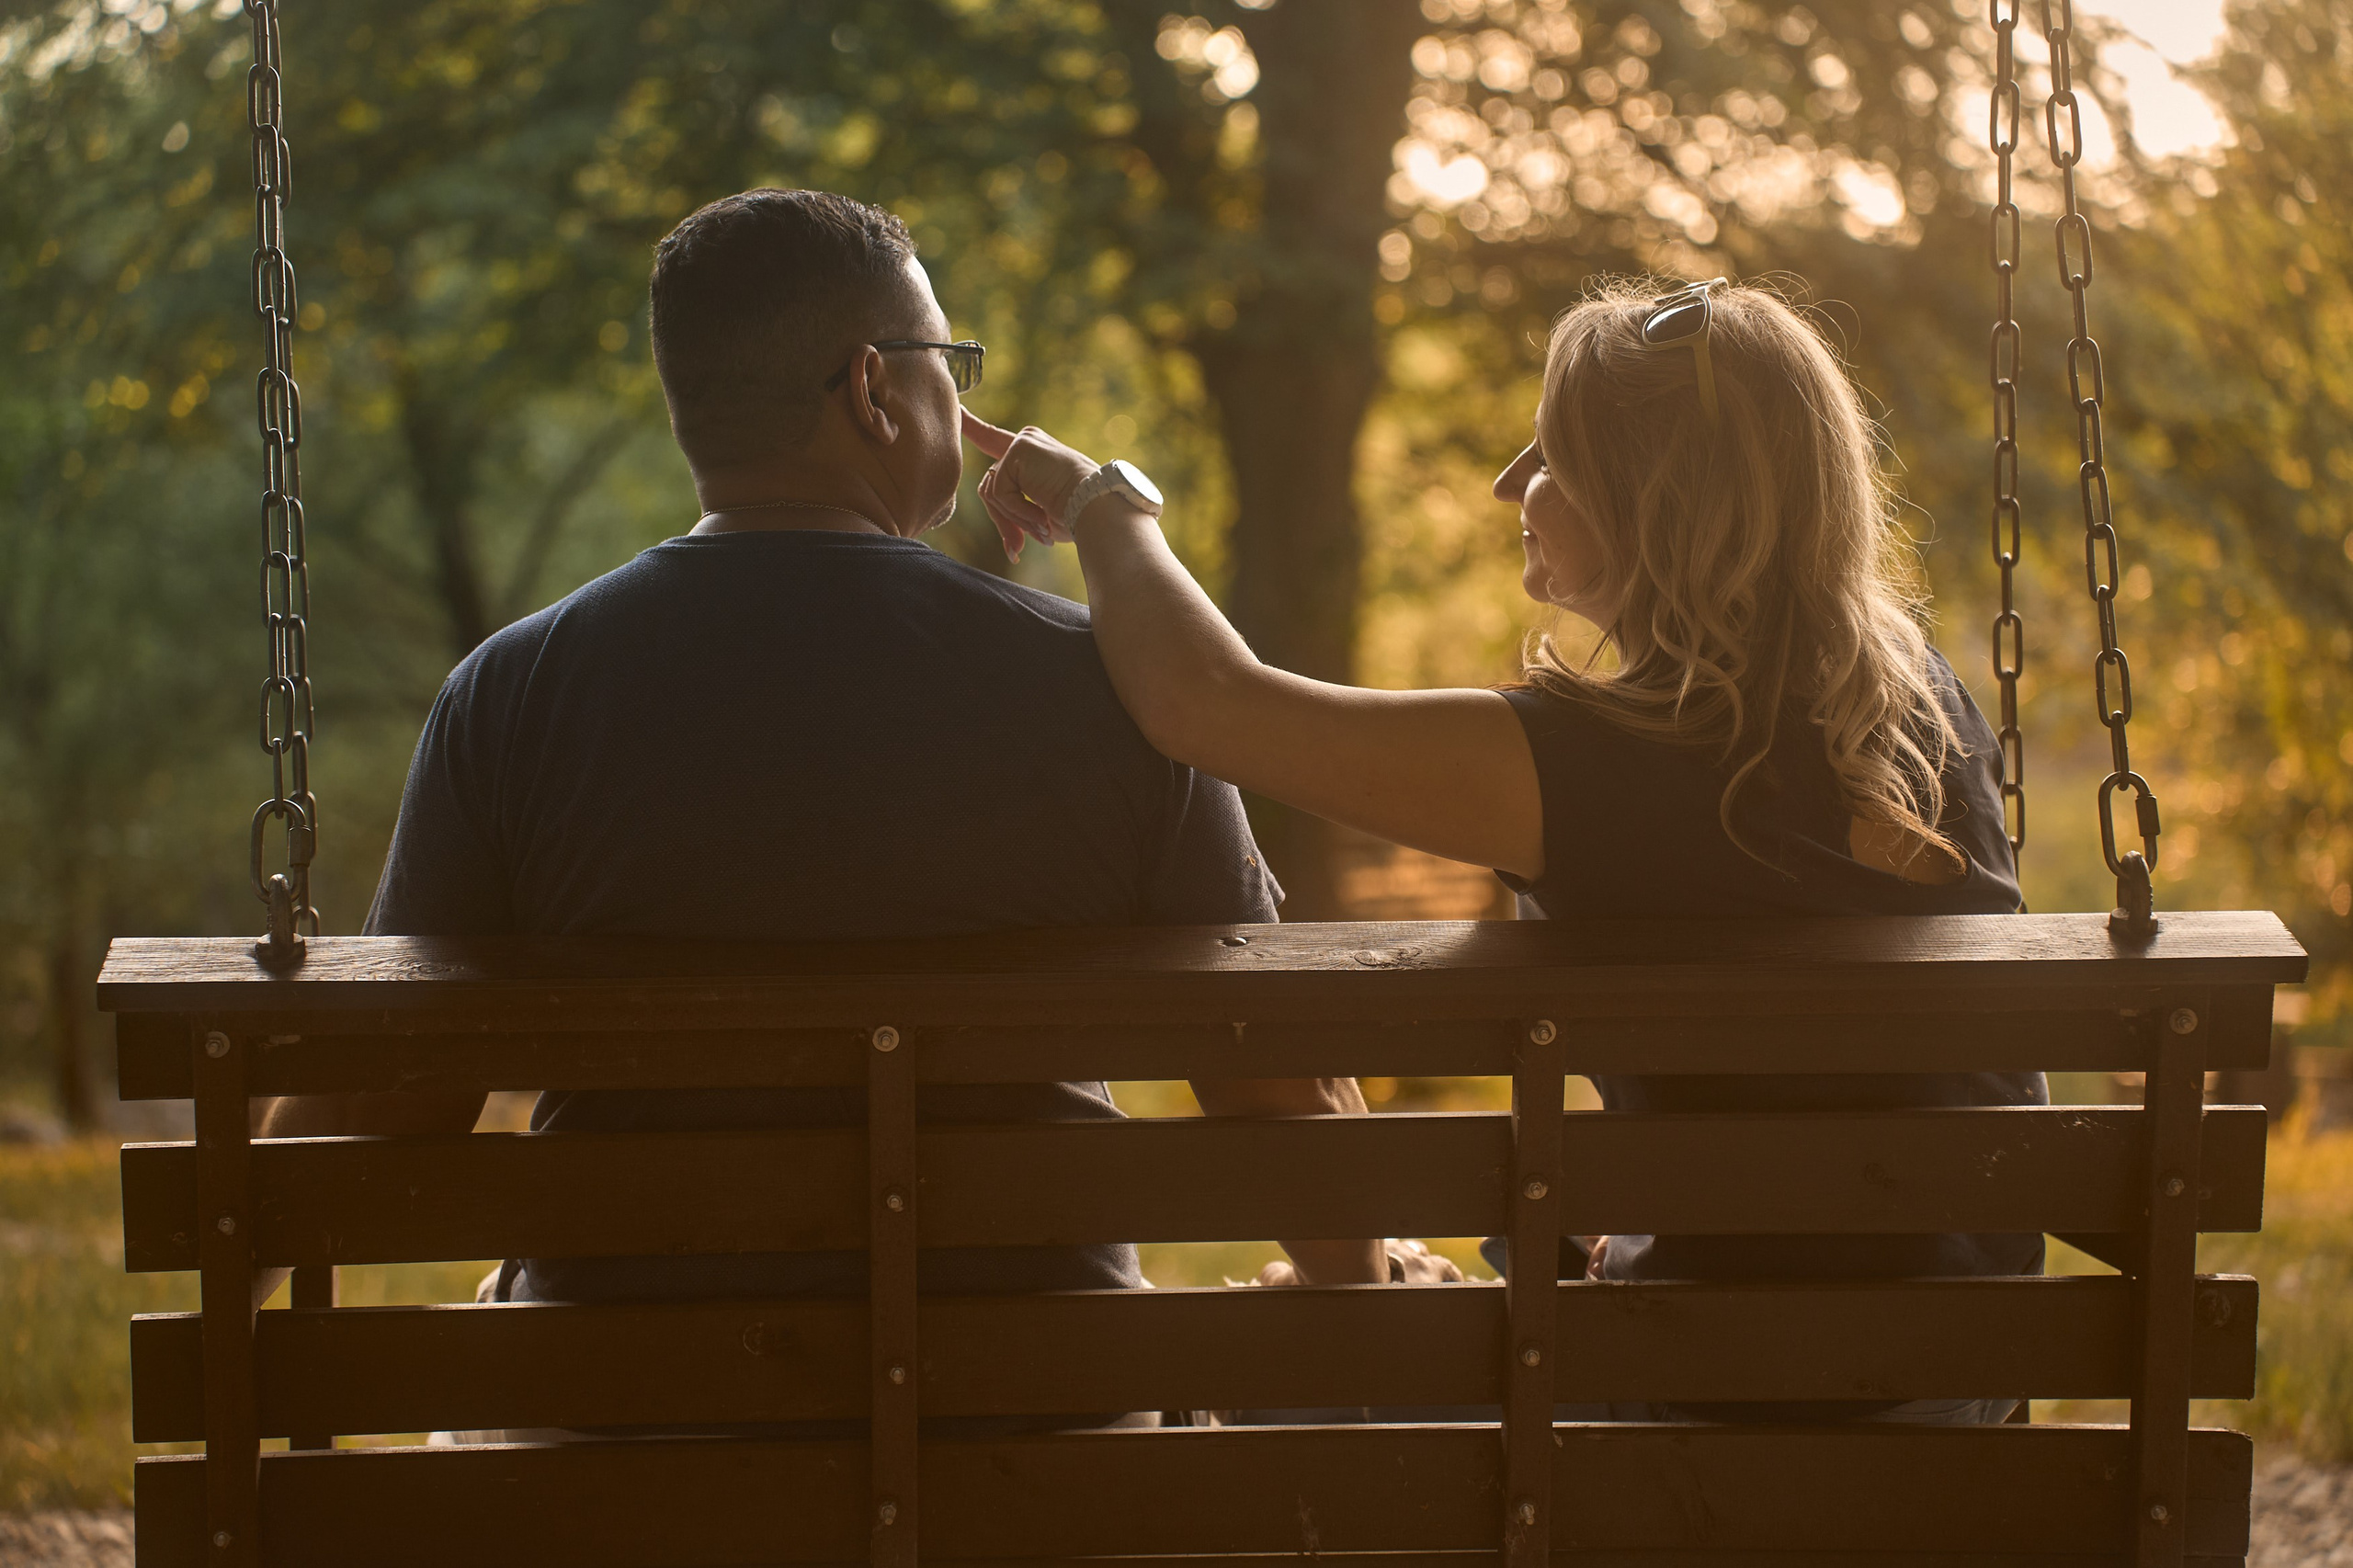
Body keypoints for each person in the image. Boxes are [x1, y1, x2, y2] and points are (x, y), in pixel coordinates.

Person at [252, 190, 1450, 1398]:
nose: (965, 396)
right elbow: (1280, 1093)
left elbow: (384, 1112)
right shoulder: (1110, 692)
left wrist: (229, 1273)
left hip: (633, 1451)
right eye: (949, 361)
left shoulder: (511, 696)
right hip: (1030, 1448)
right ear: (875, 390)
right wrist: (1364, 1277)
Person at [964, 276, 2045, 1426]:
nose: (1507, 484)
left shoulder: (1601, 766)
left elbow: (1206, 707)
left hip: (1724, 1424)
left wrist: (1102, 498)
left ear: (1652, 502)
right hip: (1955, 1390)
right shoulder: (1918, 708)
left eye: (1549, 453)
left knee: (1306, 1373)